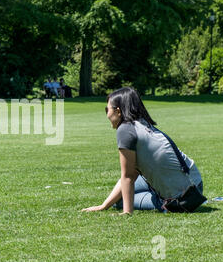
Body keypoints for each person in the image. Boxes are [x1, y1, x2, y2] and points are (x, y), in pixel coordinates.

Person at [82, 87, 203, 215]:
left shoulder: (125, 129)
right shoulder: (143, 124)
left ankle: (161, 201)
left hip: (183, 199)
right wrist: (104, 205)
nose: (107, 114)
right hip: (196, 185)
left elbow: (128, 176)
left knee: (120, 201)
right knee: (122, 193)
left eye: (107, 109)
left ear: (118, 111)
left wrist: (127, 212)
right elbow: (133, 173)